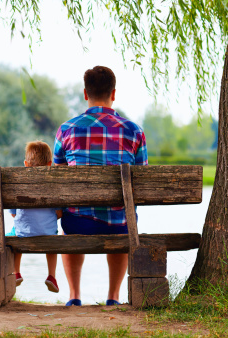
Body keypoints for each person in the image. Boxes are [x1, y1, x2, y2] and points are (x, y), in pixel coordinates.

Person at [53, 66, 148, 306]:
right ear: (113, 93)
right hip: (120, 223)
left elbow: (56, 177)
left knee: (70, 223)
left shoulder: (67, 129)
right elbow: (143, 179)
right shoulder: (134, 131)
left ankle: (74, 296)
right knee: (124, 217)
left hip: (77, 222)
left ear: (86, 94)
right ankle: (113, 297)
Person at [7, 141, 62, 293]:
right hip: (48, 232)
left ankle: (16, 272)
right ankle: (52, 276)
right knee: (53, 240)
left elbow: (13, 213)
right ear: (50, 164)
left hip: (23, 233)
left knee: (14, 234)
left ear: (25, 164)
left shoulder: (18, 184)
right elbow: (60, 213)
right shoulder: (53, 185)